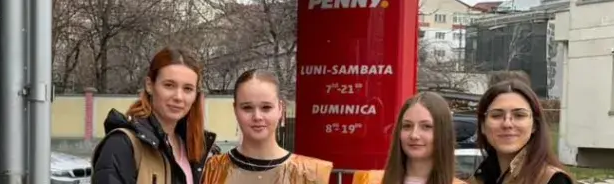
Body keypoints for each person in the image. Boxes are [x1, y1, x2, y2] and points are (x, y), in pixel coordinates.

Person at [93, 48, 216, 184]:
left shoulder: (200, 150)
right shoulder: (122, 145)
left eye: (188, 89)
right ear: (150, 85)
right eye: (169, 85)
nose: (179, 97)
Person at [202, 69, 331, 184]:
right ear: (235, 109)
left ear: (280, 109)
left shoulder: (311, 173)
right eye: (247, 108)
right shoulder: (211, 169)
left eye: (266, 107)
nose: (257, 117)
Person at [472, 80, 570, 184]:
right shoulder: (481, 177)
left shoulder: (553, 180)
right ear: (482, 125)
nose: (507, 124)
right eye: (496, 115)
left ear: (534, 125)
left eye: (519, 115)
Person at [353, 91, 461, 184]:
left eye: (426, 126)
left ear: (443, 133)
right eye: (407, 126)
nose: (414, 135)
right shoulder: (368, 180)